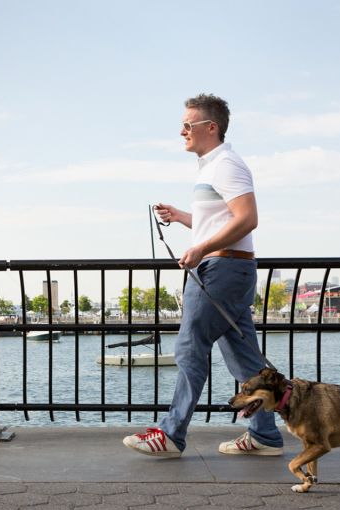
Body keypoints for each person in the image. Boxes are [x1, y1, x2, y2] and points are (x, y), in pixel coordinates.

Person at [123, 94, 284, 458]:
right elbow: (224, 222)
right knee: (244, 359)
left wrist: (199, 250)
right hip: (230, 268)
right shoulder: (212, 168)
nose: (182, 132)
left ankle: (170, 434)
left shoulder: (226, 164)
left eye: (188, 125)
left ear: (211, 127)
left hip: (221, 269)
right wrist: (182, 217)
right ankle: (265, 436)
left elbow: (248, 219)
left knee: (189, 347)